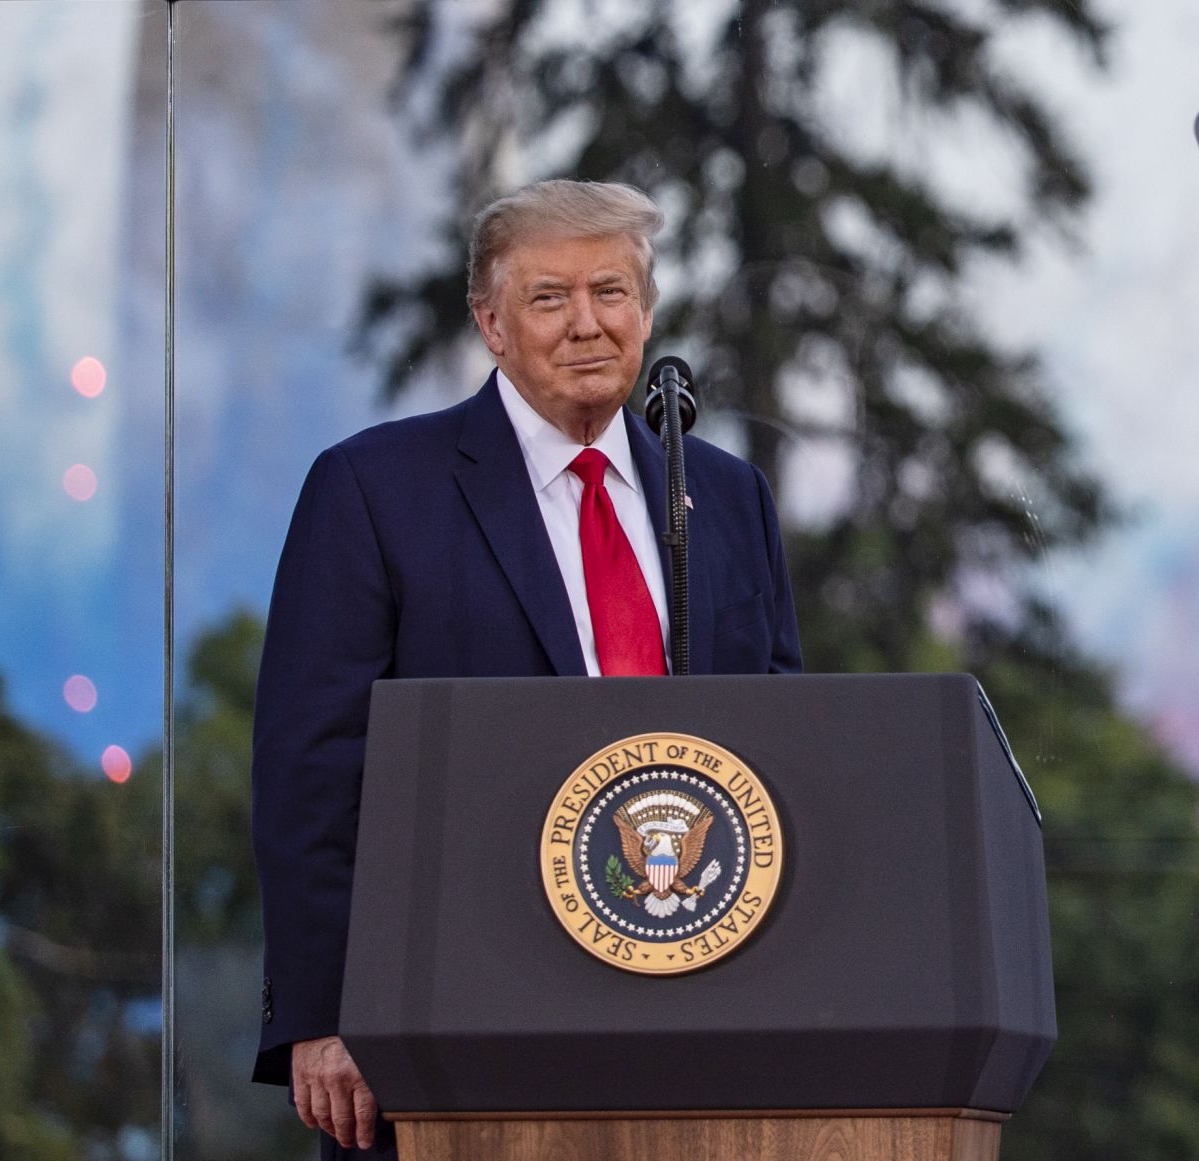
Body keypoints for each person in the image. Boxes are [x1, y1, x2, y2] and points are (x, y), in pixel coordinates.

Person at [249, 180, 802, 1158]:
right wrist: (328, 1011)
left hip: (701, 1027)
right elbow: (312, 772)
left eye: (611, 292)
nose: (587, 325)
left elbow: (785, 750)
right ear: (491, 322)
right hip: (455, 1026)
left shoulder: (723, 496)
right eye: (550, 298)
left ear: (647, 309)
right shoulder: (376, 492)